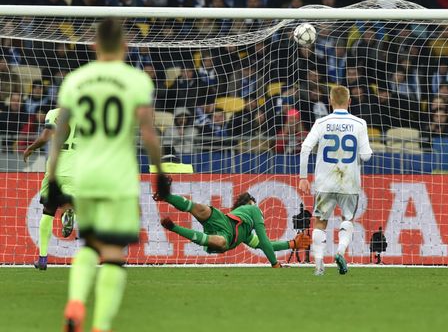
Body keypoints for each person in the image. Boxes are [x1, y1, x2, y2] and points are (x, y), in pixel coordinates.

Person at [45, 18, 169, 332]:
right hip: (118, 177)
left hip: (85, 174)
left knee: (89, 244)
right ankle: (100, 325)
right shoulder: (136, 80)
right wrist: (160, 173)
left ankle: (75, 303)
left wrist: (56, 174)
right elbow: (149, 134)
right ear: (125, 47)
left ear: (94, 46)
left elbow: (59, 133)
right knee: (113, 253)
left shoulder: (75, 80)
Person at [299, 85, 373, 276]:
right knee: (347, 218)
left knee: (320, 222)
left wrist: (303, 177)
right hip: (349, 181)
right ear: (349, 101)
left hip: (325, 181)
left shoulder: (321, 122)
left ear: (330, 101)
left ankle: (318, 265)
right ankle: (340, 252)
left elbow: (305, 148)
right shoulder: (360, 123)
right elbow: (366, 156)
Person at [157, 192, 310, 260]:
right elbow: (265, 242)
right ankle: (166, 196)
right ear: (250, 203)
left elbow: (266, 246)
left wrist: (291, 243)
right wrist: (275, 263)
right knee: (203, 209)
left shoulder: (246, 234)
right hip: (222, 220)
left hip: (226, 233)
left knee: (220, 240)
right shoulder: (254, 210)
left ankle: (174, 227)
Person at [22, 107, 78, 270]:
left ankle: (43, 259)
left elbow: (45, 137)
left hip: (55, 168)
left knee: (48, 211)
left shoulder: (54, 113)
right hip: (75, 168)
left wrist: (31, 147)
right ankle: (69, 211)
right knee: (70, 203)